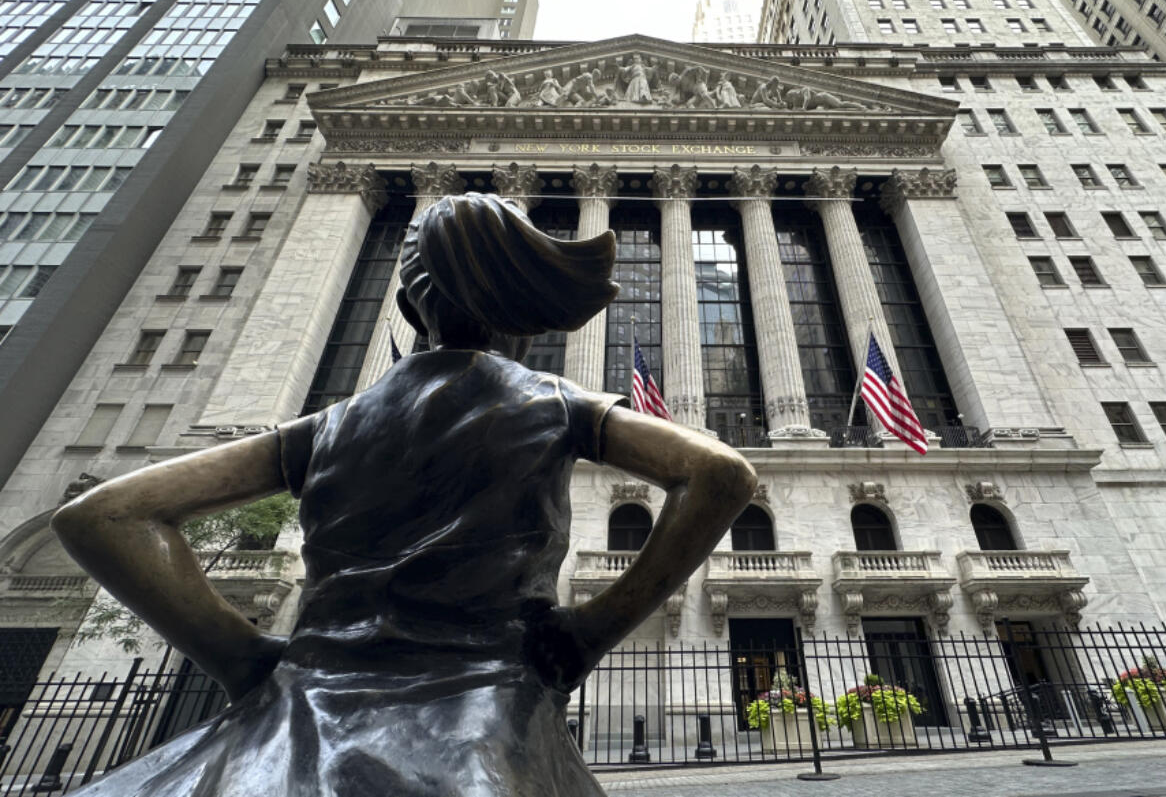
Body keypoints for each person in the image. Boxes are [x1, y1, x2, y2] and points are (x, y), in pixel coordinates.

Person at [52, 193, 757, 797]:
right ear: (515, 311)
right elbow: (721, 474)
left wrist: (241, 657)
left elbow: (103, 515)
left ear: (405, 302)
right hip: (484, 709)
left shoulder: (322, 428)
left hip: (303, 706)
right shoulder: (554, 405)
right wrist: (590, 632)